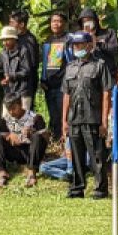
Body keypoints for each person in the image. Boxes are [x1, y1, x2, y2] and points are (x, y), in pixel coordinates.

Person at [62, 31, 112, 199]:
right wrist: (64, 120)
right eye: (75, 45)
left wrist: (104, 122)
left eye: (80, 45)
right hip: (74, 119)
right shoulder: (70, 67)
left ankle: (100, 189)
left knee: (97, 156)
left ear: (89, 46)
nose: (77, 48)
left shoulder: (99, 65)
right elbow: (66, 95)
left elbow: (106, 94)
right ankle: (77, 188)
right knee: (76, 156)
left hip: (93, 118)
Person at [0, 94, 47, 187]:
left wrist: (32, 133)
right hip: (15, 151)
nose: (11, 112)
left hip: (31, 152)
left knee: (37, 137)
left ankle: (31, 173)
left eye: (14, 108)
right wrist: (9, 136)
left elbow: (45, 138)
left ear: (21, 104)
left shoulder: (35, 117)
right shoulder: (5, 119)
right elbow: (3, 137)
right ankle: (2, 173)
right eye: (8, 109)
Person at [40, 11, 70, 140]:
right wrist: (43, 79)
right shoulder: (48, 40)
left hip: (62, 85)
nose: (55, 24)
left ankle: (65, 140)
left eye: (58, 21)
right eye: (53, 21)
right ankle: (57, 140)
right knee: (53, 115)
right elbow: (45, 62)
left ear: (64, 23)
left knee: (63, 114)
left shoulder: (68, 39)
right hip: (49, 85)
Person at [0, 26, 38, 116]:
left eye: (7, 39)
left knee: (23, 118)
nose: (5, 42)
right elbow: (0, 71)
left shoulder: (24, 51)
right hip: (9, 92)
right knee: (6, 118)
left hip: (23, 91)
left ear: (14, 39)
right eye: (3, 40)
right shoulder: (3, 53)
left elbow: (26, 71)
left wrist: (11, 76)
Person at [8, 10, 42, 110]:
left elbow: (31, 66)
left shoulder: (29, 41)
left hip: (25, 87)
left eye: (12, 23)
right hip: (13, 85)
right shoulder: (14, 39)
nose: (10, 25)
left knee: (24, 116)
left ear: (22, 24)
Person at [77, 7, 118, 76]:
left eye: (89, 20)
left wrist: (98, 43)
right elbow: (77, 54)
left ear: (95, 21)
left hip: (108, 73)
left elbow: (115, 49)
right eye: (84, 21)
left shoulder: (109, 32)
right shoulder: (79, 36)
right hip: (88, 75)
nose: (87, 23)